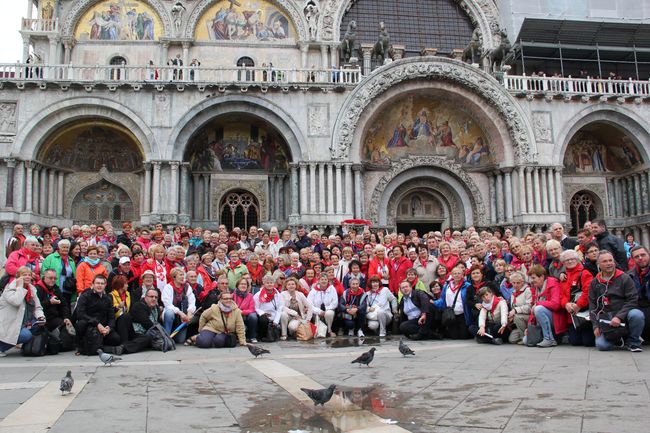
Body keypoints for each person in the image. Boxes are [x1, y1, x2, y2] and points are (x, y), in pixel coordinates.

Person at [589, 250, 645, 352]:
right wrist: (595, 326)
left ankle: (633, 342)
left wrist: (619, 317)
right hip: (607, 320)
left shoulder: (625, 278)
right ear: (599, 264)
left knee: (637, 315)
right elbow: (593, 305)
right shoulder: (594, 282)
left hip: (625, 316)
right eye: (605, 261)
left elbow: (633, 299)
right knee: (602, 346)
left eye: (611, 260)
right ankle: (619, 338)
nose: (609, 263)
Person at [0, 266, 45, 357]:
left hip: (25, 321)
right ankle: (1, 348)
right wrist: (20, 286)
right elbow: (16, 301)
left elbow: (37, 307)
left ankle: (26, 348)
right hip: (10, 323)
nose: (27, 277)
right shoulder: (10, 288)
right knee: (26, 335)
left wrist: (41, 317)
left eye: (29, 275)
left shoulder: (31, 289)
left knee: (38, 326)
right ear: (18, 277)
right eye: (24, 275)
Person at [74, 275, 122, 354]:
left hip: (103, 327)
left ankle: (99, 347)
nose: (99, 285)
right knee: (81, 324)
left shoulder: (108, 299)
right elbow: (80, 314)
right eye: (97, 283)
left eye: (102, 283)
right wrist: (97, 324)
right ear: (92, 285)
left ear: (105, 285)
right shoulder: (85, 296)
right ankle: (84, 346)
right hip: (89, 326)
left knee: (116, 339)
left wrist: (109, 328)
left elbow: (111, 317)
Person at [560, 250, 594, 346]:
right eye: (567, 260)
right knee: (575, 342)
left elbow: (588, 292)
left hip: (584, 313)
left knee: (588, 342)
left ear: (577, 260)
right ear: (563, 262)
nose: (570, 261)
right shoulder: (564, 276)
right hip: (572, 315)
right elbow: (562, 295)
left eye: (572, 259)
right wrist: (565, 304)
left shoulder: (585, 273)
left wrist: (578, 305)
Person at [528, 265, 565, 348]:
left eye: (533, 278)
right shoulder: (536, 288)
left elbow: (556, 305)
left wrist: (538, 303)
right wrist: (529, 325)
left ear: (541, 277)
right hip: (545, 317)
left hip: (556, 317)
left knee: (539, 309)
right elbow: (532, 310)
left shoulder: (553, 283)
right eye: (531, 278)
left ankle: (549, 339)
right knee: (526, 340)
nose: (531, 281)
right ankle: (546, 337)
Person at [433, 264, 472, 339]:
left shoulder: (467, 285)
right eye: (455, 273)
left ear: (462, 275)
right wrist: (434, 302)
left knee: (464, 336)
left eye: (459, 273)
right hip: (451, 314)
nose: (457, 275)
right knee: (454, 336)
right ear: (451, 275)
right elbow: (442, 299)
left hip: (463, 314)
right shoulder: (447, 285)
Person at [162, 268, 196, 344]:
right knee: (169, 313)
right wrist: (180, 313)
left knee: (180, 340)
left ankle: (173, 336)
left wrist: (190, 312)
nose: (182, 277)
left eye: (183, 275)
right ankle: (166, 337)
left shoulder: (187, 287)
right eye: (180, 275)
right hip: (174, 315)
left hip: (183, 317)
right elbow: (168, 304)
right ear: (174, 277)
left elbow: (192, 301)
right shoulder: (168, 287)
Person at [35, 268, 72, 336]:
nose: (53, 280)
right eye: (50, 278)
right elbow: (36, 307)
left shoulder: (55, 288)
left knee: (69, 326)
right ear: (44, 277)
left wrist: (66, 317)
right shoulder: (37, 288)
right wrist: (49, 302)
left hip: (55, 317)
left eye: (55, 278)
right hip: (42, 319)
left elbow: (64, 304)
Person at [253, 275, 284, 342]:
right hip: (263, 316)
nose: (269, 284)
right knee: (263, 319)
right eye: (267, 283)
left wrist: (276, 320)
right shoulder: (258, 295)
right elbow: (255, 307)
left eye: (271, 283)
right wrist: (263, 313)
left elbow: (280, 308)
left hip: (274, 315)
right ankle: (262, 336)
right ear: (264, 283)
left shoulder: (278, 295)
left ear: (274, 284)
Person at [307, 273, 338, 338]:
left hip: (328, 310)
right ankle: (318, 331)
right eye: (322, 279)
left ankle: (329, 330)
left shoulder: (332, 289)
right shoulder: (313, 290)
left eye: (325, 279)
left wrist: (326, 309)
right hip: (316, 311)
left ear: (328, 281)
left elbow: (335, 302)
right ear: (318, 281)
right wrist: (319, 311)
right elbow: (309, 304)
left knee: (329, 314)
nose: (324, 281)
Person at [629, 245, 650, 340]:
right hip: (639, 308)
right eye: (636, 257)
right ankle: (634, 340)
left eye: (643, 255)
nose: (640, 258)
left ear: (648, 255)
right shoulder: (629, 275)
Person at [507, 271, 533, 344]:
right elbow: (513, 306)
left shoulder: (527, 290)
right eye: (513, 283)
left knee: (517, 317)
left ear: (522, 282)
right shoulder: (513, 292)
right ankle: (525, 333)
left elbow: (529, 307)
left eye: (518, 283)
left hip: (528, 317)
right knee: (512, 340)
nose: (515, 285)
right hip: (518, 318)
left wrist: (515, 311)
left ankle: (524, 338)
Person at [232, 276, 258, 343]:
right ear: (237, 285)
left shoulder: (250, 295)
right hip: (236, 315)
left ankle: (252, 336)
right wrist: (238, 312)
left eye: (245, 284)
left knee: (253, 316)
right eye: (241, 284)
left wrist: (243, 312)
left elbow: (252, 309)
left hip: (246, 315)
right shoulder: (232, 295)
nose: (243, 286)